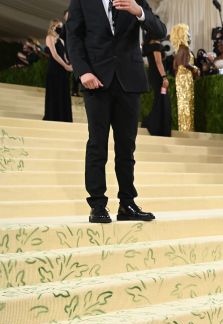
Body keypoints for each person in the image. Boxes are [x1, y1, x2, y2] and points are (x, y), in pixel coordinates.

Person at [67, 0, 165, 223]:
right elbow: (73, 37)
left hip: (128, 82)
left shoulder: (135, 0)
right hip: (96, 81)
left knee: (126, 148)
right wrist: (83, 72)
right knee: (97, 145)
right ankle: (98, 205)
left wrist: (138, 11)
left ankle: (127, 204)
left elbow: (160, 30)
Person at [141, 32, 171, 136]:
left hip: (153, 74)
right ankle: (157, 126)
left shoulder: (148, 46)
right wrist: (164, 77)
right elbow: (159, 62)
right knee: (162, 98)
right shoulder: (156, 46)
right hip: (159, 76)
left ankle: (155, 124)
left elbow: (151, 63)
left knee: (160, 98)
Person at [43, 19, 73, 122]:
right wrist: (65, 66)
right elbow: (54, 55)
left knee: (63, 92)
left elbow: (64, 54)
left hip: (63, 70)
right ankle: (53, 116)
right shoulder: (49, 38)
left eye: (61, 26)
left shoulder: (62, 40)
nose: (61, 28)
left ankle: (63, 117)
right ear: (53, 27)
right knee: (54, 92)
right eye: (58, 26)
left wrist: (69, 63)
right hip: (54, 69)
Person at [172, 24, 198, 132]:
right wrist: (195, 68)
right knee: (187, 104)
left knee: (182, 105)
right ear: (183, 35)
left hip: (179, 78)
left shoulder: (178, 50)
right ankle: (188, 130)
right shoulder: (186, 48)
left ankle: (183, 129)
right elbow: (185, 63)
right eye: (188, 34)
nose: (190, 36)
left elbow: (175, 66)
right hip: (186, 79)